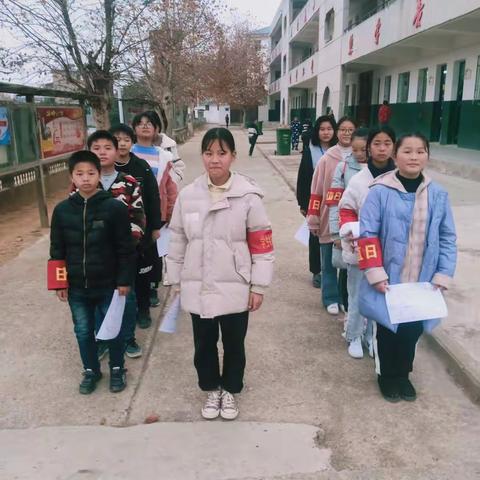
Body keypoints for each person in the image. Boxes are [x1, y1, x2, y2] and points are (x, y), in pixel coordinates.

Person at [166, 128, 274, 421]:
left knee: (234, 343)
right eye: (209, 153)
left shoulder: (249, 197)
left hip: (236, 284)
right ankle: (212, 389)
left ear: (233, 157)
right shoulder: (188, 196)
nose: (215, 160)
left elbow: (262, 245)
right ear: (202, 156)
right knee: (203, 343)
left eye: (222, 153)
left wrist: (259, 285)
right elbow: (177, 239)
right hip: (198, 283)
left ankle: (230, 390)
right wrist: (175, 279)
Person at [358, 133, 457, 402]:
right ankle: (387, 376)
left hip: (422, 281)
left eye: (420, 151)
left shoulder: (437, 194)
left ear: (427, 156)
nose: (414, 157)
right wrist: (375, 272)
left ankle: (403, 375)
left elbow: (447, 236)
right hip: (389, 280)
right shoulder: (380, 191)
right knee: (389, 331)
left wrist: (443, 273)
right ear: (395, 155)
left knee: (412, 331)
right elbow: (367, 235)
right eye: (407, 151)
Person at [49, 151, 135, 394]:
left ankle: (117, 368)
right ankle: (91, 370)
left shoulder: (114, 208)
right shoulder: (62, 210)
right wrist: (59, 283)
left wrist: (123, 280)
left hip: (109, 285)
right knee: (83, 330)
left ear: (99, 175)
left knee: (113, 330)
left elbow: (125, 249)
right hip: (76, 287)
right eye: (79, 174)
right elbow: (57, 250)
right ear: (71, 177)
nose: (85, 178)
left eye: (91, 173)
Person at [331, 127, 396, 359]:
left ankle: (372, 334)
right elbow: (345, 209)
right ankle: (354, 335)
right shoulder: (359, 180)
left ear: (393, 147)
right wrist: (353, 231)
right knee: (358, 293)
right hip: (362, 249)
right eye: (377, 143)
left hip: (390, 250)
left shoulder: (399, 178)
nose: (382, 148)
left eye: (387, 143)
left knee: (381, 296)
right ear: (369, 148)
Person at [86, 130, 146, 360]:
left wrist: (125, 247)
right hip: (93, 257)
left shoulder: (129, 182)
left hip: (123, 255)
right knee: (97, 298)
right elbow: (75, 218)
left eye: (107, 147)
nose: (102, 152)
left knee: (125, 298)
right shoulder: (82, 183)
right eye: (96, 148)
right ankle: (102, 339)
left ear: (116, 151)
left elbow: (139, 217)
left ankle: (128, 338)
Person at [131, 111, 178, 327]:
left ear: (157, 129)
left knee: (154, 255)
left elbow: (169, 187)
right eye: (140, 123)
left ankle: (151, 288)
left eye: (150, 123)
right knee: (134, 255)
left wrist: (169, 212)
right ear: (134, 129)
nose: (145, 127)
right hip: (130, 216)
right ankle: (138, 294)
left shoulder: (164, 156)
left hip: (155, 215)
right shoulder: (126, 154)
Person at [307, 117, 356, 315]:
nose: (346, 133)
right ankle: (330, 298)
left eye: (350, 130)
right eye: (343, 129)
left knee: (347, 261)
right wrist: (313, 216)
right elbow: (316, 190)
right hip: (329, 216)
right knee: (328, 260)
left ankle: (344, 297)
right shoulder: (327, 158)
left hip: (351, 219)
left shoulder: (359, 157)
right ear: (337, 133)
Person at [296, 115, 337, 288]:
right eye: (322, 129)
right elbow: (303, 177)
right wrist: (303, 204)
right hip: (316, 200)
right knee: (315, 235)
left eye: (329, 129)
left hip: (336, 200)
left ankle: (335, 269)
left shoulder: (339, 150)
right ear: (317, 131)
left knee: (335, 235)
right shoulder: (311, 149)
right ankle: (316, 271)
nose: (326, 132)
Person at [145, 110, 185, 184]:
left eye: (153, 127)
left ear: (158, 127)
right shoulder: (137, 147)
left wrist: (171, 182)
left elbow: (179, 166)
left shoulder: (169, 145)